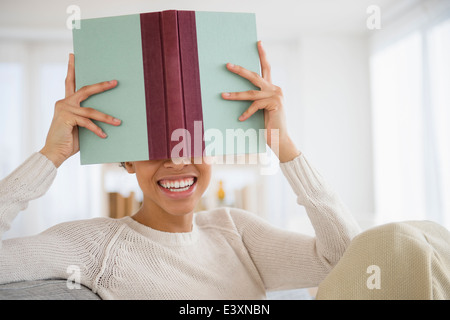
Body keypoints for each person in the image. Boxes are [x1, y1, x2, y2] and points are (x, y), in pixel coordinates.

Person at [0, 41, 361, 299]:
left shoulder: (237, 231)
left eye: (191, 140)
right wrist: (50, 155)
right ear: (126, 160)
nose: (175, 160)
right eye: (152, 146)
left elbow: (348, 260)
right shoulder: (96, 247)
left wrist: (284, 146)